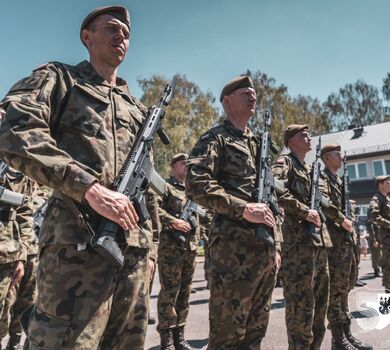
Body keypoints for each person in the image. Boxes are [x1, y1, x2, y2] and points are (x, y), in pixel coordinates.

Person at [0, 6, 158, 349]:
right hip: (76, 251)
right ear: (87, 37)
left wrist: (151, 250)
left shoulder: (137, 108)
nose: (122, 36)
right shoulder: (60, 79)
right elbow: (13, 129)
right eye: (112, 28)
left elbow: (148, 189)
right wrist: (87, 187)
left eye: (127, 33)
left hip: (132, 257)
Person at [186, 76, 281, 349]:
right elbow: (195, 183)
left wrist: (278, 245)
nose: (253, 97)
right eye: (245, 93)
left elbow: (273, 200)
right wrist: (242, 209)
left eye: (254, 93)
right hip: (232, 254)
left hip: (264, 251)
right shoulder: (217, 138)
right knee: (227, 337)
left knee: (255, 335)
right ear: (227, 101)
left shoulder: (259, 146)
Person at [272, 125, 332, 350]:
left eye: (308, 134)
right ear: (290, 142)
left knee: (319, 309)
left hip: (318, 243)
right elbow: (276, 189)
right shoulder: (284, 163)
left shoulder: (312, 169)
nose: (308, 138)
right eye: (303, 135)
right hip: (298, 246)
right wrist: (303, 210)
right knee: (301, 308)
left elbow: (325, 202)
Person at [321, 144, 372, 350]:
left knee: (344, 292)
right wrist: (342, 219)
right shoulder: (323, 179)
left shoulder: (341, 181)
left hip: (346, 245)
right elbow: (324, 202)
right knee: (335, 293)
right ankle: (337, 340)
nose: (341, 157)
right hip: (334, 246)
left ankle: (347, 334)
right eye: (337, 154)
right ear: (326, 158)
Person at [157, 153, 200, 350]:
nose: (187, 166)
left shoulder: (193, 191)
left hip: (190, 250)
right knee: (169, 293)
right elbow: (154, 209)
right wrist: (173, 221)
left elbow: (203, 219)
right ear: (174, 166)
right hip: (171, 250)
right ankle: (166, 340)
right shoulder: (165, 187)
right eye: (183, 163)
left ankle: (179, 337)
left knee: (184, 294)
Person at [368, 175, 390, 294]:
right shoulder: (376, 199)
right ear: (380, 185)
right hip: (387, 239)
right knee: (388, 265)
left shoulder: (387, 198)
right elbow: (374, 216)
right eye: (387, 182)